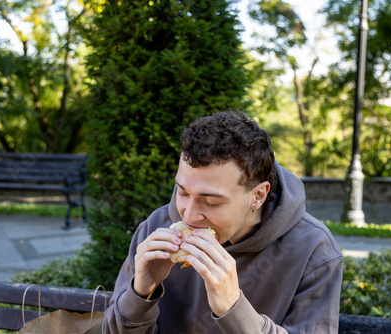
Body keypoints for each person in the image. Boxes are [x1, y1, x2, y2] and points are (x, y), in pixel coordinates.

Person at [103, 111, 343, 333]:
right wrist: (140, 294)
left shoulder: (314, 251)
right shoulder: (155, 227)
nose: (188, 216)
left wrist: (233, 308)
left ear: (258, 196)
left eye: (210, 202)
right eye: (183, 192)